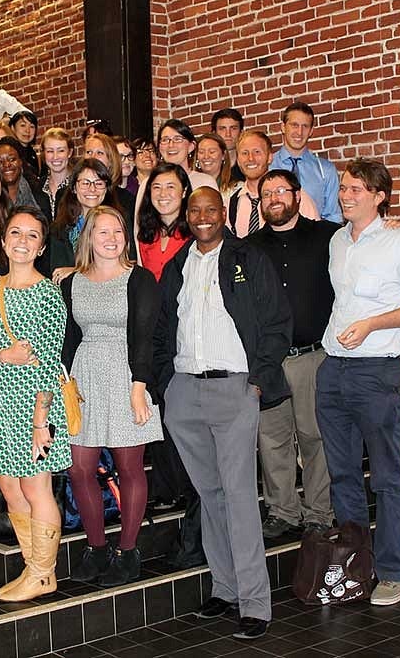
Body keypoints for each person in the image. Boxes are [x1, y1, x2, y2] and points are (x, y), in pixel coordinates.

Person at [153, 185, 291, 640]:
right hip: (186, 391)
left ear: (223, 215)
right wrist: (166, 386)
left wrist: (257, 381)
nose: (203, 216)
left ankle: (255, 603)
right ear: (187, 217)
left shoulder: (247, 259)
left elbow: (276, 323)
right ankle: (225, 586)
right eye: (195, 210)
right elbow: (160, 331)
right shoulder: (177, 266)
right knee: (208, 494)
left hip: (235, 388)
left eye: (211, 209)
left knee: (237, 496)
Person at [316, 158, 400, 606]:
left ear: (379, 196)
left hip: (377, 371)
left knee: (386, 476)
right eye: (344, 188)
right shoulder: (336, 241)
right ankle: (356, 565)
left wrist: (373, 323)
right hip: (333, 370)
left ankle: (392, 572)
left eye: (354, 190)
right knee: (343, 474)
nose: (345, 195)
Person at [0, 206, 69, 602]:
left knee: (35, 485)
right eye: (16, 233)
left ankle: (44, 572)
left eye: (32, 236)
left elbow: (48, 361)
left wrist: (41, 422)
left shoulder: (48, 294)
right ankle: (33, 566)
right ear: (4, 241)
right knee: (8, 485)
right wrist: (1, 355)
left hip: (38, 404)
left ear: (41, 246)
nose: (22, 242)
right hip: (2, 400)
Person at [61, 206, 162, 586]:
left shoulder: (139, 279)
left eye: (116, 231)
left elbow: (146, 337)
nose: (110, 238)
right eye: (101, 232)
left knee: (129, 467)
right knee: (80, 468)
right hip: (85, 376)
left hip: (126, 375)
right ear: (88, 238)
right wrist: (64, 388)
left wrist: (139, 388)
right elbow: (69, 340)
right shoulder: (71, 283)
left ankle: (128, 549)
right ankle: (96, 547)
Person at [247, 169, 338, 539]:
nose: (274, 198)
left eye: (281, 191)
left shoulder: (328, 238)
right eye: (267, 194)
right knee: (272, 440)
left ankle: (319, 511)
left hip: (313, 357)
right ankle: (283, 510)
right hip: (269, 360)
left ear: (297, 196)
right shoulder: (249, 248)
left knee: (316, 436)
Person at [134, 163, 200, 568]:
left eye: (170, 187)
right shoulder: (142, 237)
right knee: (156, 407)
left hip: (183, 331)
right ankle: (165, 483)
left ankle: (184, 485)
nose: (163, 194)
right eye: (156, 187)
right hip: (148, 331)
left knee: (179, 412)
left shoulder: (195, 235)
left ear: (185, 191)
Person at [227, 130, 319, 238]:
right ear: (238, 160)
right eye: (244, 153)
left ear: (270, 157)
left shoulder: (295, 197)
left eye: (257, 152)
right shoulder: (231, 204)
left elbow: (315, 238)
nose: (250, 158)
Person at [48, 158, 125, 279]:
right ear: (74, 188)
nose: (92, 189)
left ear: (106, 188)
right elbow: (58, 272)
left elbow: (127, 263)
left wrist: (77, 271)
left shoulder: (120, 222)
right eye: (85, 183)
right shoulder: (60, 229)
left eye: (98, 183)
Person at [269, 102, 342, 223]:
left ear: (311, 131)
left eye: (305, 126)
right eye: (294, 125)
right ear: (283, 127)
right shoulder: (268, 166)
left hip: (315, 238)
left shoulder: (326, 170)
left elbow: (334, 216)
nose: (299, 132)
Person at [0, 137, 51, 219]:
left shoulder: (39, 193)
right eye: (0, 161)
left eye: (12, 159)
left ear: (21, 162)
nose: (7, 165)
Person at [83, 133, 136, 222]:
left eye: (99, 153)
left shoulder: (125, 199)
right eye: (89, 152)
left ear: (111, 160)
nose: (93, 157)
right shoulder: (67, 194)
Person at [39, 127, 75, 218]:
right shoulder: (37, 187)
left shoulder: (78, 185)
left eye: (61, 151)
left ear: (70, 153)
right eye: (50, 151)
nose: (55, 157)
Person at [195, 132, 232, 198]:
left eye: (212, 152)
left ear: (223, 155)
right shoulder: (190, 184)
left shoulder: (235, 188)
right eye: (201, 152)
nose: (206, 157)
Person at [9, 110, 40, 179]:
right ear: (13, 128)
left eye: (32, 126)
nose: (27, 130)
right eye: (23, 125)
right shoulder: (10, 154)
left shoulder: (33, 153)